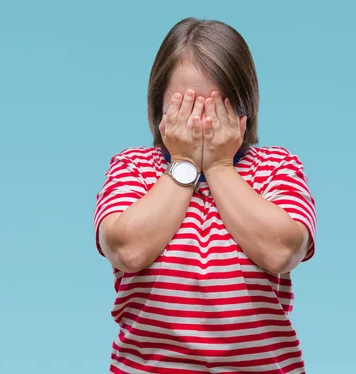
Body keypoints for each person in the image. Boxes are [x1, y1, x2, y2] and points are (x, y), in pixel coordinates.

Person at [93, 17, 317, 374]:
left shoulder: (277, 167)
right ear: (159, 108)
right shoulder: (132, 167)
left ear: (244, 108)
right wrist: (183, 164)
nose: (202, 121)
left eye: (216, 108)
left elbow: (282, 250)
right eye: (187, 106)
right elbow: (126, 248)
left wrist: (219, 166)